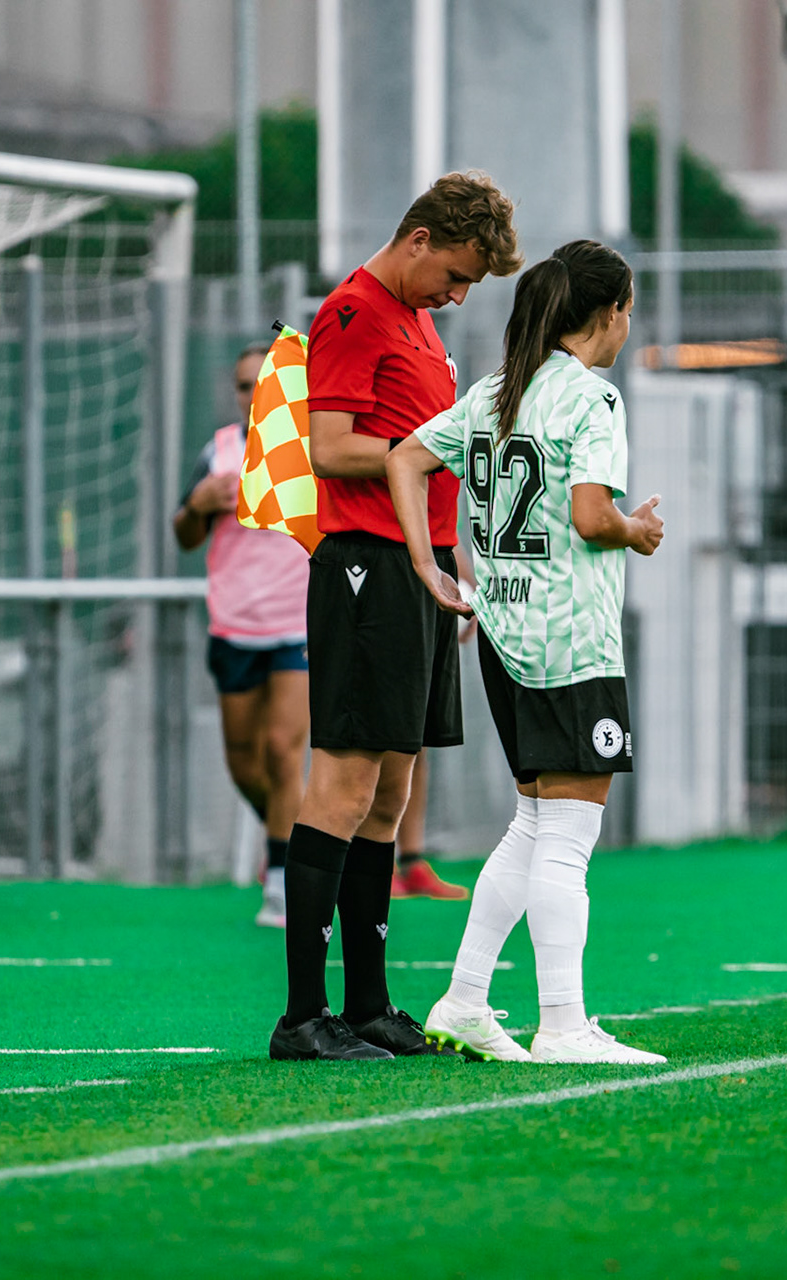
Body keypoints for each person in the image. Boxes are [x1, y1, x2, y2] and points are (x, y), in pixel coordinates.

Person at [385, 239, 668, 1064]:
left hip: (504, 638)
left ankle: (466, 1000)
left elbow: (404, 458)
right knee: (569, 836)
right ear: (610, 314)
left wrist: (428, 566)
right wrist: (635, 529)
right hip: (570, 640)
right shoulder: (589, 398)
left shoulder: (493, 392)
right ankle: (563, 1024)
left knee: (534, 822)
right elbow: (589, 516)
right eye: (628, 312)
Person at [269, 171, 523, 1061]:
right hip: (363, 572)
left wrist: (447, 561)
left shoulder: (416, 319)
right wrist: (419, 461)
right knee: (343, 783)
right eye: (455, 275)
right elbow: (329, 445)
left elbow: (427, 462)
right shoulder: (354, 312)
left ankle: (368, 1005)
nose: (458, 296)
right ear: (420, 238)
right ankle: (304, 1016)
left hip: (411, 573)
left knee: (391, 792)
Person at [174, 343, 310, 929]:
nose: (253, 393)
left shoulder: (311, 450)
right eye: (242, 384)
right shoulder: (220, 452)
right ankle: (296, 835)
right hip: (234, 626)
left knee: (284, 750)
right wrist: (198, 506)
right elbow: (183, 536)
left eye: (264, 382)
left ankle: (282, 884)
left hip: (297, 628)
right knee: (244, 765)